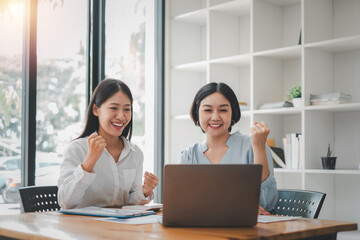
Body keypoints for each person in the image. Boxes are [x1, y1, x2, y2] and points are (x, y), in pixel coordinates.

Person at [58, 78, 158, 209]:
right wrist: (89, 162)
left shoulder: (135, 153)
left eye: (127, 109)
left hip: (118, 227)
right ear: (95, 110)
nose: (121, 116)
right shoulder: (76, 149)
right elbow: (65, 202)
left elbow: (128, 202)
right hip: (84, 227)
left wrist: (145, 192)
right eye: (114, 108)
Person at [180, 82, 278, 214]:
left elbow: (267, 204)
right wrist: (238, 205)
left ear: (233, 112)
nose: (215, 117)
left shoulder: (254, 144)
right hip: (201, 229)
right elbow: (183, 203)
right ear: (197, 113)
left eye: (223, 110)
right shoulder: (189, 155)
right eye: (208, 110)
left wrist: (259, 148)